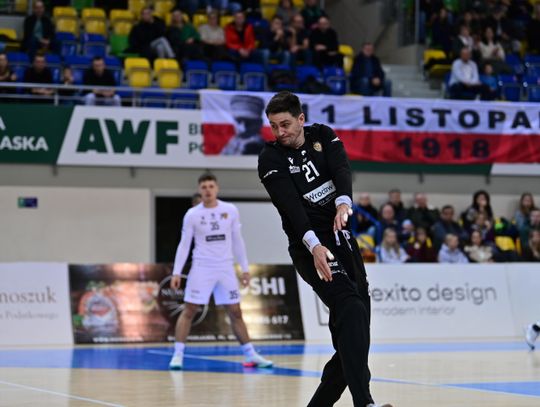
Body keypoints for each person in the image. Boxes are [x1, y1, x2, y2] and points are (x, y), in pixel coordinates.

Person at [258, 91, 393, 407]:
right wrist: (315, 245)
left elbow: (342, 169)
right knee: (350, 307)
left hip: (341, 238)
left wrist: (343, 202)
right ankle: (364, 403)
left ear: (301, 119)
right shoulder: (270, 158)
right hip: (308, 246)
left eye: (285, 124)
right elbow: (291, 208)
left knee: (355, 333)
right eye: (274, 126)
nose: (280, 132)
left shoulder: (323, 135)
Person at [168, 173, 272, 370]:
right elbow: (184, 244)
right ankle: (177, 355)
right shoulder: (192, 214)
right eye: (204, 187)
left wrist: (245, 269)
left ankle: (251, 355)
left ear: (217, 188)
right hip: (202, 267)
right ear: (199, 190)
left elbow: (238, 240)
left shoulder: (230, 210)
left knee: (235, 312)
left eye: (211, 186)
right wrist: (176, 272)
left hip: (225, 268)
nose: (208, 190)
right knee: (189, 310)